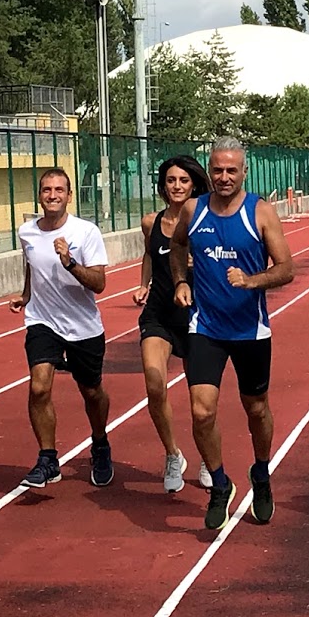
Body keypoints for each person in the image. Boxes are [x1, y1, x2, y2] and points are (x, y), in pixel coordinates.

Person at [170, 137, 294, 531]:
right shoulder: (194, 209)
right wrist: (179, 280)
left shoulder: (260, 212)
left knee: (256, 408)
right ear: (209, 170)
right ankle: (220, 483)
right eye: (217, 170)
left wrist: (252, 280)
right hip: (205, 326)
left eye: (231, 170)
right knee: (201, 410)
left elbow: (287, 268)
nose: (224, 177)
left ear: (244, 171)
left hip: (250, 330)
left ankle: (260, 471)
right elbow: (176, 245)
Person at [10, 167, 114, 489]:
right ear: (40, 196)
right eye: (46, 190)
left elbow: (99, 284)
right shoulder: (27, 232)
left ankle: (100, 442)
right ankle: (48, 458)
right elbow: (31, 264)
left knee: (91, 391)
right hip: (43, 321)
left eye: (59, 190)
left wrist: (69, 261)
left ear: (70, 196)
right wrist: (27, 296)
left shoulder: (86, 232)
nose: (52, 195)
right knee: (39, 387)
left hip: (82, 326)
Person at [133, 156, 214, 493]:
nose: (177, 186)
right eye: (170, 180)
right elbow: (151, 254)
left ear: (194, 184)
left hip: (199, 317)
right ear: (163, 186)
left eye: (183, 180)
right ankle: (172, 454)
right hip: (159, 315)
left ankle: (210, 460)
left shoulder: (208, 222)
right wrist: (143, 283)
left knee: (202, 404)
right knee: (154, 383)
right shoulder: (151, 222)